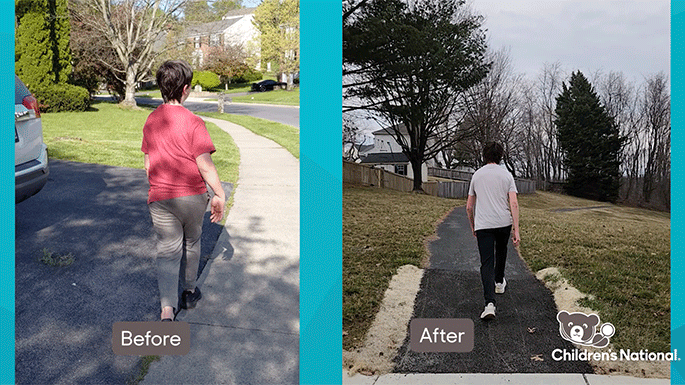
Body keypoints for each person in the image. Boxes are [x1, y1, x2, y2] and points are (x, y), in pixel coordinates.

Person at [142, 60, 226, 321]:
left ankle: (167, 310)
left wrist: (158, 186)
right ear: (186, 89)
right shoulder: (194, 122)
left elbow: (148, 164)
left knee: (168, 250)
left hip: (161, 197)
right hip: (192, 196)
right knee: (192, 242)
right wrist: (220, 195)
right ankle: (189, 292)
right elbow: (205, 165)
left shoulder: (152, 120)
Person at [466, 142, 520, 321]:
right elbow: (513, 203)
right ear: (501, 156)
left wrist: (473, 225)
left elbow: (468, 206)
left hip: (484, 224)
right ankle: (499, 282)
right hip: (503, 222)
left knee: (486, 262)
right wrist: (516, 230)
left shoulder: (477, 175)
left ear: (484, 155)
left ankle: (489, 304)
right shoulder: (507, 175)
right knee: (502, 250)